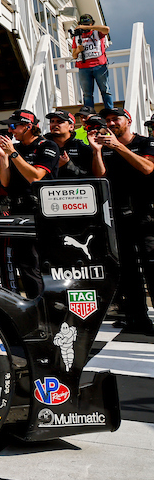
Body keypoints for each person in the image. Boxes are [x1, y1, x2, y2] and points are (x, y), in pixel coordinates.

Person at [89, 108, 154, 335]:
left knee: (152, 269)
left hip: (146, 216)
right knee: (128, 272)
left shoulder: (146, 142)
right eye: (107, 120)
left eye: (115, 119)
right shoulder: (106, 148)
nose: (111, 123)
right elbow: (99, 176)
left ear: (128, 121)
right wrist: (97, 151)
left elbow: (147, 168)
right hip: (118, 217)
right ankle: (137, 319)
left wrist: (117, 146)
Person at [0, 110, 59, 215]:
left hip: (41, 207)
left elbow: (35, 177)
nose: (10, 130)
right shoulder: (15, 148)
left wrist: (13, 153)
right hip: (16, 207)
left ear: (28, 126)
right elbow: (5, 182)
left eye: (13, 126)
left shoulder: (47, 145)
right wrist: (3, 156)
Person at [70, 14, 112, 113]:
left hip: (99, 65)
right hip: (84, 67)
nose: (86, 27)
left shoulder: (98, 32)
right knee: (87, 93)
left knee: (105, 90)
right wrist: (78, 51)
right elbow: (74, 56)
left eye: (88, 24)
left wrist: (89, 27)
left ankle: (109, 110)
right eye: (84, 25)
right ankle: (89, 113)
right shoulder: (76, 37)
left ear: (92, 23)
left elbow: (107, 29)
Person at [46, 109, 94, 178]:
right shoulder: (43, 145)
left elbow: (88, 175)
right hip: (48, 187)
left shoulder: (81, 147)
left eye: (60, 122)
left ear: (71, 126)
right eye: (52, 121)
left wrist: (68, 164)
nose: (54, 124)